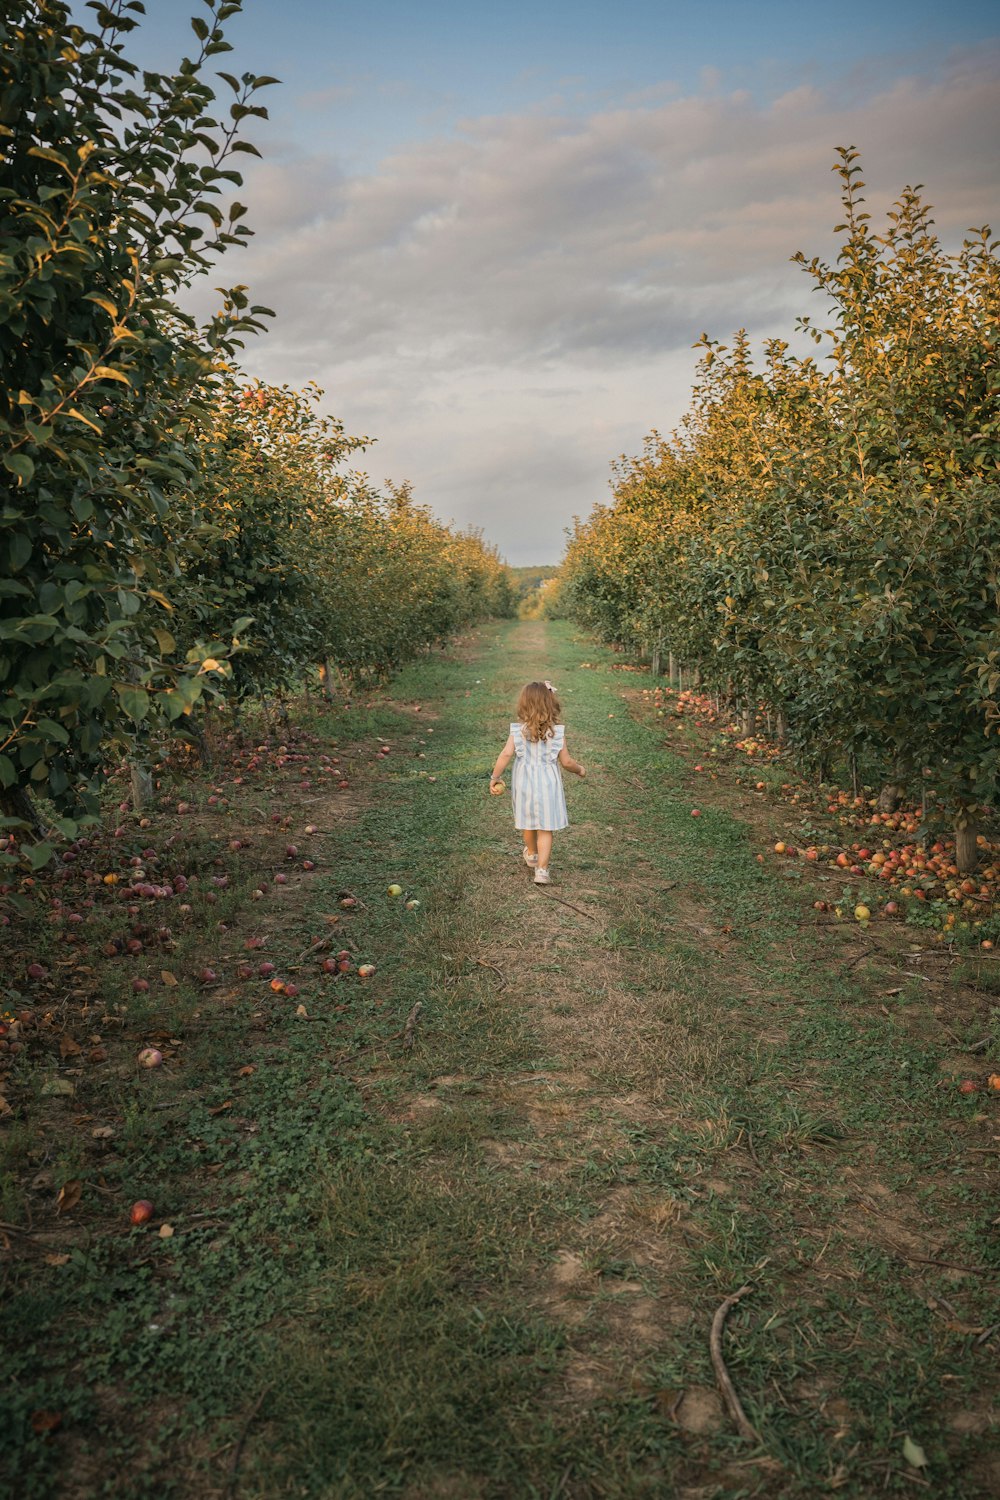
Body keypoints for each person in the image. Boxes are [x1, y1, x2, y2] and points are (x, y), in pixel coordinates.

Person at [489, 680, 585, 885]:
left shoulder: (518, 731)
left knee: (527, 821)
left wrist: (495, 778)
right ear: (551, 704)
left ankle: (531, 854)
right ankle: (542, 871)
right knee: (545, 827)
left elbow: (506, 754)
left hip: (524, 782)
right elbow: (567, 762)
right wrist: (580, 769)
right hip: (548, 783)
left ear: (524, 704)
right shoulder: (557, 732)